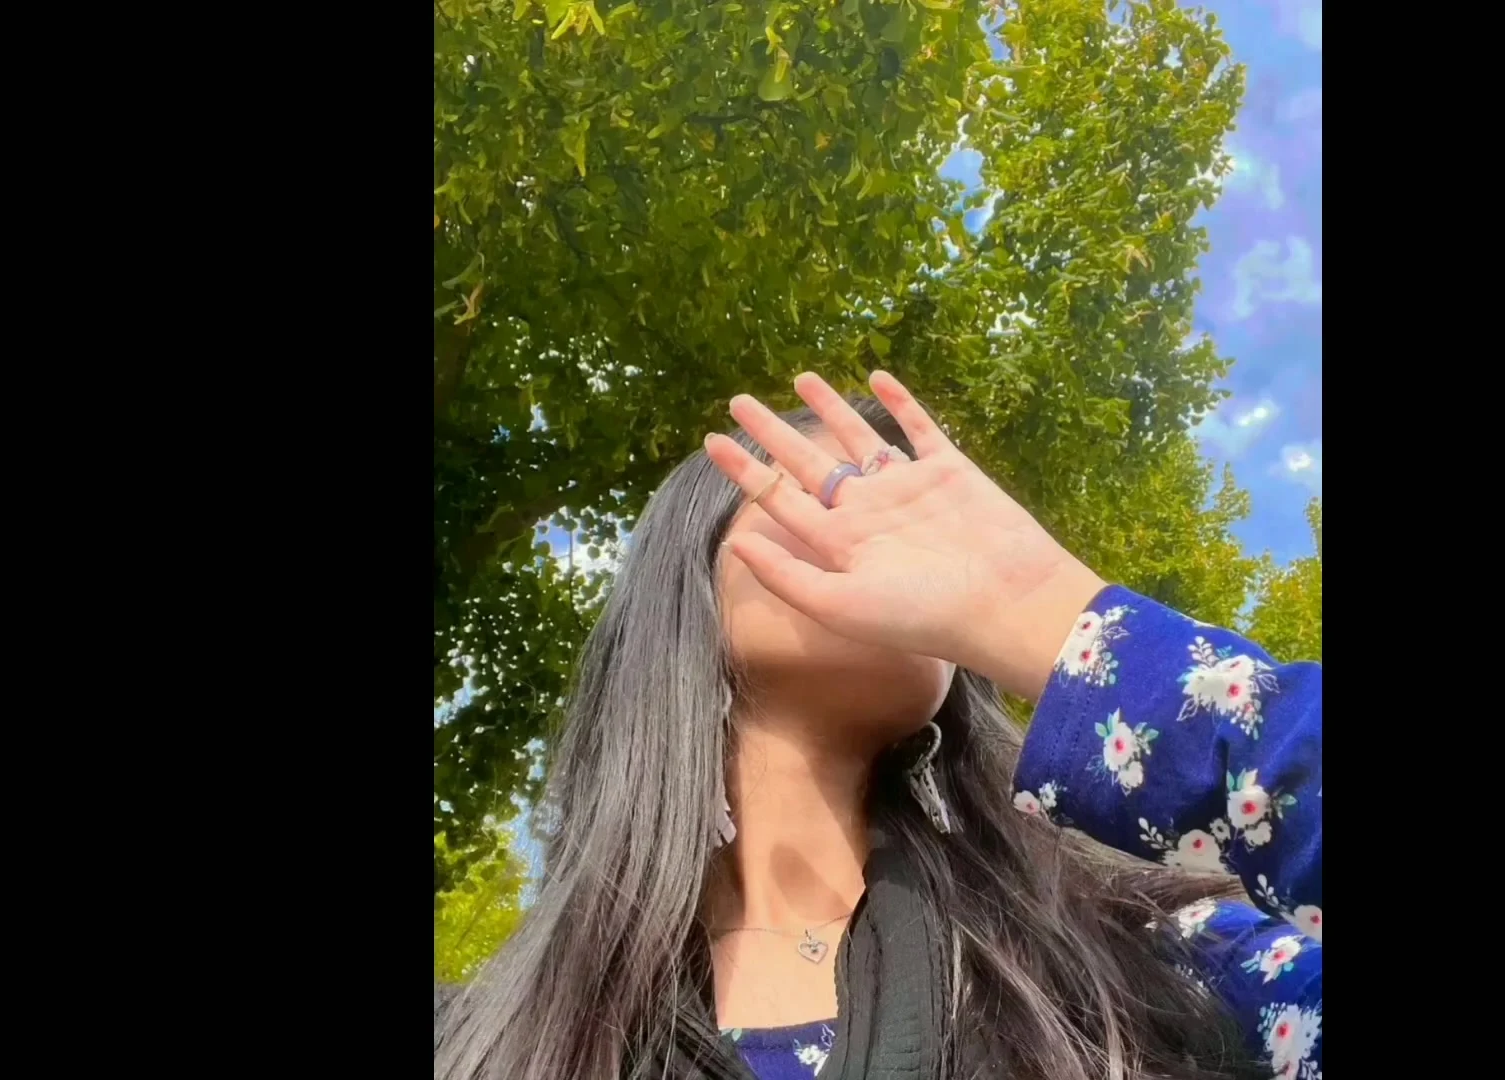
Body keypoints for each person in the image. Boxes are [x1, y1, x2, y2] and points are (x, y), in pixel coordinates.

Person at [434, 373, 1322, 1080]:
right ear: (689, 580)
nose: (913, 542)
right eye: (844, 491)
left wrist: (1052, 619)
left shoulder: (1166, 965)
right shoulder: (474, 1039)